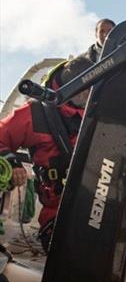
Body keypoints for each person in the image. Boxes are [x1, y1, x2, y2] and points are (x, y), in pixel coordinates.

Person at [0, 56, 94, 250]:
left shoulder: (100, 113)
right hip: (56, 213)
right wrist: (12, 162)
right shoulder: (34, 113)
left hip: (98, 206)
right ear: (71, 84)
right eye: (86, 88)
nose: (90, 93)